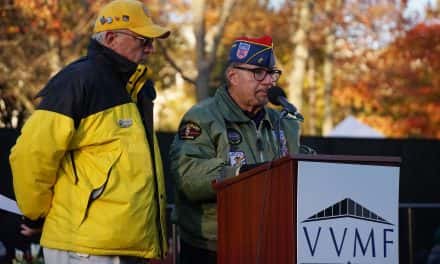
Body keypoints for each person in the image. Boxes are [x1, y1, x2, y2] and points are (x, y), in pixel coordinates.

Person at [9, 0, 170, 263]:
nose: (151, 49)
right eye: (143, 40)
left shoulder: (135, 87)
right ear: (110, 38)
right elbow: (31, 153)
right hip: (84, 249)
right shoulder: (79, 80)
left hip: (119, 246)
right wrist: (36, 214)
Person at [169, 35, 302, 263]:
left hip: (272, 243)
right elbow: (189, 177)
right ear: (233, 76)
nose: (270, 81)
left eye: (273, 73)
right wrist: (243, 174)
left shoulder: (284, 122)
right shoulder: (203, 118)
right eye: (259, 72)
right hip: (212, 248)